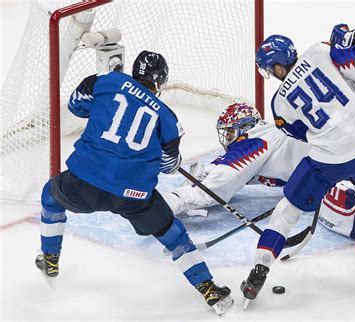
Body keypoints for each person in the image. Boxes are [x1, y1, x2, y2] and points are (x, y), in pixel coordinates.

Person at [35, 50, 233, 315]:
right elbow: (167, 165)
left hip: (85, 180)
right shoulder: (168, 118)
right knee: (173, 235)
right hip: (133, 194)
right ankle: (210, 291)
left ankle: (50, 258)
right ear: (160, 81)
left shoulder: (105, 80)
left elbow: (75, 105)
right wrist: (171, 161)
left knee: (50, 195)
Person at [240, 24, 355, 305]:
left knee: (287, 210)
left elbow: (300, 134)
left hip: (329, 158)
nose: (271, 76)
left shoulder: (279, 103)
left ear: (278, 67)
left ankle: (259, 271)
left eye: (270, 70)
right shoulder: (320, 50)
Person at [163, 103, 355, 251]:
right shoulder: (271, 132)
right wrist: (200, 176)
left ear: (243, 128)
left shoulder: (254, 142)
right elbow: (223, 170)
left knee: (333, 200)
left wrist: (177, 200)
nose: (227, 139)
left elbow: (215, 189)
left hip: (331, 166)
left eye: (229, 133)